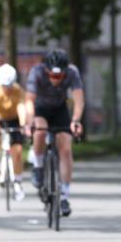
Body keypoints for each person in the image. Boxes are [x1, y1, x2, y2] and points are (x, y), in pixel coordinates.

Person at [25, 49, 84, 217]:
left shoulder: (72, 73)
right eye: (52, 75)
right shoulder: (36, 72)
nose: (55, 79)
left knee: (65, 148)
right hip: (40, 108)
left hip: (60, 109)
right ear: (46, 70)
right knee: (40, 131)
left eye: (59, 77)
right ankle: (37, 166)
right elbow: (29, 100)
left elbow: (79, 100)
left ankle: (64, 196)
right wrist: (29, 122)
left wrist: (75, 121)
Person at [0, 64, 28, 201]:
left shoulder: (18, 90)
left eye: (9, 86)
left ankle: (18, 182)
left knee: (18, 152)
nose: (7, 89)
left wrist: (23, 125)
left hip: (14, 120)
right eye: (4, 86)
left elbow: (22, 108)